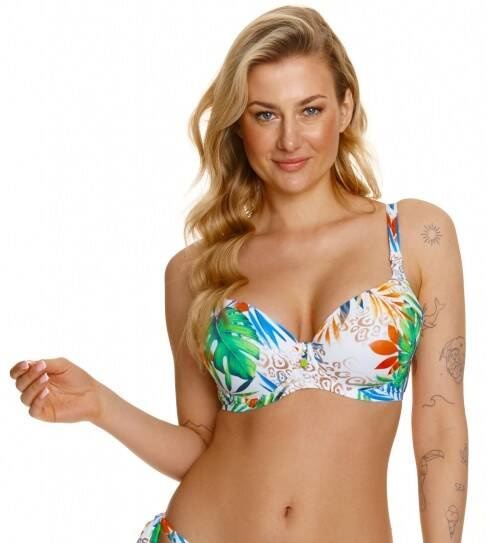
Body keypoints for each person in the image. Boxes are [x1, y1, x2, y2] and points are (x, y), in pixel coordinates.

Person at [9, 5, 468, 542]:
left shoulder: (414, 236)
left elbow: (440, 427)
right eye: (265, 115)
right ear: (238, 125)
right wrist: (99, 404)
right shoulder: (196, 272)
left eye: (311, 110)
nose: (290, 140)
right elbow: (199, 445)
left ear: (345, 108)